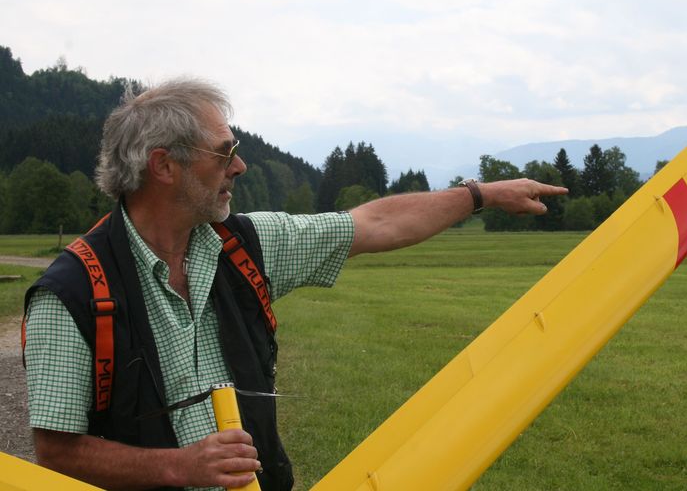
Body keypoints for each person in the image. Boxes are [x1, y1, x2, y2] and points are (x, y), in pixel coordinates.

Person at [23, 78, 567, 491]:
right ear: (164, 166)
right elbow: (56, 451)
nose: (238, 166)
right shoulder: (68, 295)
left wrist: (482, 195)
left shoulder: (248, 246)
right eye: (223, 151)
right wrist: (180, 466)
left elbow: (374, 222)